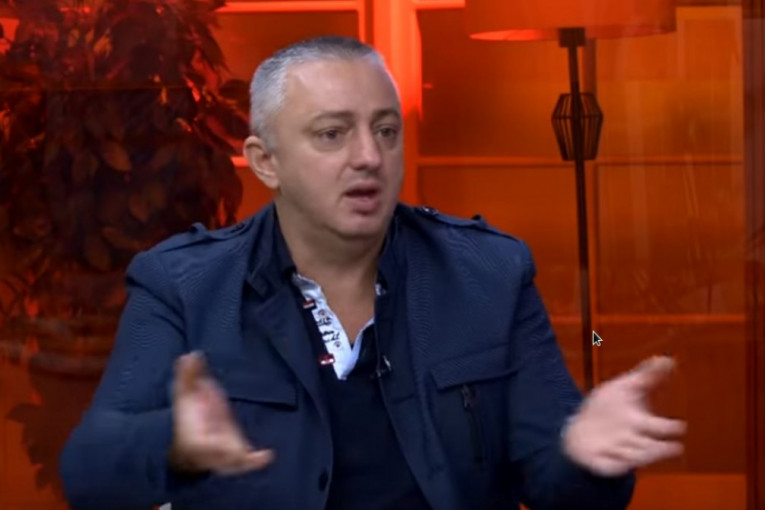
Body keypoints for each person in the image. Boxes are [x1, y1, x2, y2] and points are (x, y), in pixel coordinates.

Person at [60, 36, 686, 510]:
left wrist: (584, 457)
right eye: (332, 134)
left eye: (386, 131)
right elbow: (89, 472)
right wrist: (172, 443)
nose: (369, 156)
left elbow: (556, 481)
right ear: (265, 162)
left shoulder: (489, 274)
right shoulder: (184, 284)